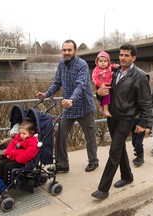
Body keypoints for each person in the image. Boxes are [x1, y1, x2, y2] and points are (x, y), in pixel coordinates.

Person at [91, 44, 153, 200]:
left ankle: (103, 189)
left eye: (126, 55)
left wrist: (145, 123)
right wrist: (98, 94)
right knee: (120, 149)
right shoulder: (113, 71)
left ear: (133, 58)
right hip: (112, 116)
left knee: (114, 149)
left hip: (127, 118)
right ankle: (127, 176)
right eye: (121, 55)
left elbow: (146, 103)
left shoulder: (140, 76)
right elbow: (105, 94)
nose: (122, 58)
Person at [36, 39, 99, 172]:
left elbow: (80, 85)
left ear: (75, 51)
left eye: (69, 50)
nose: (67, 52)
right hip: (68, 107)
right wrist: (46, 94)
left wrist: (72, 99)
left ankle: (93, 161)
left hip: (84, 106)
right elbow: (57, 82)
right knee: (60, 133)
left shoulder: (82, 65)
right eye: (64, 50)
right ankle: (63, 164)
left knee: (90, 135)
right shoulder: (61, 64)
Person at [0, 118, 39, 193]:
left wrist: (18, 159)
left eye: (24, 133)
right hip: (13, 157)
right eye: (21, 133)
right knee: (3, 163)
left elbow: (29, 153)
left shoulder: (33, 141)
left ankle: (5, 184)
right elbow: (12, 144)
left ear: (31, 133)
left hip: (23, 161)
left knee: (8, 167)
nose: (22, 135)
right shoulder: (19, 137)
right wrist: (8, 153)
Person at [92, 50, 116, 117]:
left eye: (105, 61)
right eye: (100, 61)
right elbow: (94, 78)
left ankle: (101, 108)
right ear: (97, 62)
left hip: (108, 84)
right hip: (100, 84)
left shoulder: (109, 67)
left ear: (108, 62)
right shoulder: (96, 70)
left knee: (105, 97)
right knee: (107, 96)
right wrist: (100, 84)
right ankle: (105, 109)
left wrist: (115, 66)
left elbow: (112, 66)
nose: (103, 63)